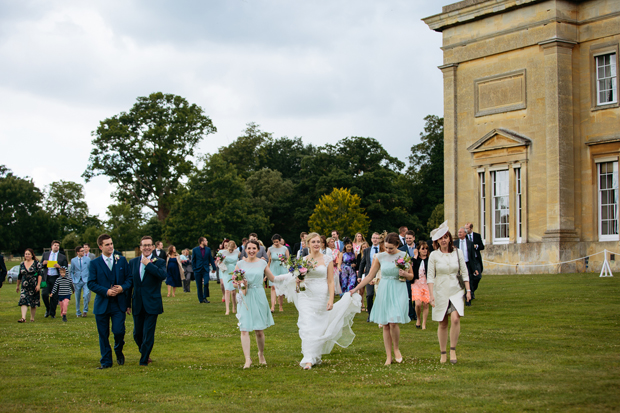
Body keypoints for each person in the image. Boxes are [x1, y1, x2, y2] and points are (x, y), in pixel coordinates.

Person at [273, 232, 362, 369]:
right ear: (308, 244)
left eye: (318, 242)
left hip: (322, 295)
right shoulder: (302, 260)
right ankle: (308, 358)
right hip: (306, 296)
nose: (316, 244)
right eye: (313, 242)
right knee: (307, 324)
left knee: (319, 326)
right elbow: (299, 280)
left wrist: (331, 299)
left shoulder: (327, 259)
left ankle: (313, 355)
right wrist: (298, 281)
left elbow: (331, 281)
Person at [350, 232, 413, 365]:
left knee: (394, 321)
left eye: (391, 248)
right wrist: (356, 289)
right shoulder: (379, 257)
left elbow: (412, 276)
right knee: (385, 324)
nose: (388, 250)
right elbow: (369, 276)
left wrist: (405, 274)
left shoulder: (404, 256)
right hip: (384, 289)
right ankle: (388, 356)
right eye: (386, 247)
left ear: (397, 245)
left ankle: (396, 348)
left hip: (399, 289)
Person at [427, 221, 471, 364]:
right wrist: (431, 295)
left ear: (450, 238)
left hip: (456, 290)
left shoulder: (458, 253)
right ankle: (443, 352)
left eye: (446, 237)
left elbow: (464, 272)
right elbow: (430, 277)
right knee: (443, 322)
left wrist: (468, 290)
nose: (444, 240)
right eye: (441, 238)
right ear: (437, 241)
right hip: (440, 291)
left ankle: (453, 349)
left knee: (455, 318)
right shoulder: (433, 255)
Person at [87, 234, 132, 369]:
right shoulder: (94, 263)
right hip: (102, 303)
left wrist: (122, 288)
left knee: (119, 331)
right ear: (101, 247)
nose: (110, 246)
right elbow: (91, 283)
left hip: (119, 303)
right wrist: (105, 291)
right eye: (107, 244)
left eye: (111, 243)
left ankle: (118, 349)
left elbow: (129, 279)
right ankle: (106, 361)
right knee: (103, 334)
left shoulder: (122, 260)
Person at [234, 240, 276, 369]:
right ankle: (247, 359)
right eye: (249, 248)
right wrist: (240, 284)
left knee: (259, 330)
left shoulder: (262, 263)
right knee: (244, 329)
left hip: (258, 295)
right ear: (245, 250)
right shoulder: (240, 263)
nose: (251, 251)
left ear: (258, 250)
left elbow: (273, 278)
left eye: (254, 248)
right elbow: (235, 281)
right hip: (245, 297)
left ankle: (261, 354)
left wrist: (292, 277)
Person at [127, 236, 167, 366]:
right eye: (144, 245)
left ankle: (144, 359)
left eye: (149, 245)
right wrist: (127, 303)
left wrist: (148, 264)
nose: (147, 247)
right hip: (137, 302)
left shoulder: (159, 262)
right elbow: (130, 284)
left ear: (153, 247)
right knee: (137, 333)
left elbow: (162, 275)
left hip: (152, 303)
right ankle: (144, 351)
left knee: (148, 333)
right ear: (140, 247)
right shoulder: (133, 262)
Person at [357, 233, 382, 322]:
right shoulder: (367, 250)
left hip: (379, 274)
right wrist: (359, 276)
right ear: (371, 239)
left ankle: (379, 314)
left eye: (377, 238)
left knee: (378, 295)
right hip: (369, 274)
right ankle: (370, 314)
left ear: (379, 239)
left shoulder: (382, 250)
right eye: (373, 238)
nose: (375, 240)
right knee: (369, 295)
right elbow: (362, 263)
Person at [41, 240, 68, 319]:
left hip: (56, 278)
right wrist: (43, 264)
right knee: (44, 294)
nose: (56, 247)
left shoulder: (62, 257)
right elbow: (40, 265)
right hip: (47, 277)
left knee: (54, 297)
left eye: (58, 246)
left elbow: (65, 268)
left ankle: (52, 313)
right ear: (51, 246)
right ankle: (48, 308)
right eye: (55, 245)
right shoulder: (45, 254)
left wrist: (59, 267)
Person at [16, 248, 43, 323]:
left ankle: (32, 318)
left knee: (33, 302)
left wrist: (38, 285)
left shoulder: (36, 263)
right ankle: (23, 318)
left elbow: (40, 274)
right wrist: (17, 286)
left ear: (32, 255)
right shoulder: (22, 264)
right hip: (24, 286)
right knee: (23, 300)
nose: (27, 255)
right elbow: (19, 275)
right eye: (26, 254)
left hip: (33, 285)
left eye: (28, 254)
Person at [456, 227, 480, 307]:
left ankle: (468, 299)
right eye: (458, 232)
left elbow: (472, 257)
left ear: (465, 234)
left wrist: (475, 269)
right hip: (457, 265)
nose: (459, 234)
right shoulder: (455, 243)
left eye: (461, 232)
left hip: (467, 264)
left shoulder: (470, 243)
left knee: (468, 280)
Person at [398, 230, 418, 321]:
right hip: (407, 275)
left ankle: (417, 313)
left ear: (414, 238)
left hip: (418, 274)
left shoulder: (419, 247)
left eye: (410, 238)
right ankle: (410, 314)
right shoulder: (401, 249)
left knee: (416, 296)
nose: (408, 240)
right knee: (408, 295)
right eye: (406, 238)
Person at [267, 234, 289, 313]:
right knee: (273, 287)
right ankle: (272, 306)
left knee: (280, 288)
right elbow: (267, 259)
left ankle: (280, 306)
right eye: (274, 242)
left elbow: (288, 260)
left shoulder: (284, 248)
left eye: (277, 242)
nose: (275, 243)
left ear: (280, 241)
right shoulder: (270, 249)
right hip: (273, 269)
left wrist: (284, 260)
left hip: (282, 268)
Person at [412, 241, 431, 329]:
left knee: (426, 304)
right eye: (423, 249)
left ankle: (424, 323)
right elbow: (412, 269)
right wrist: (415, 256)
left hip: (426, 283)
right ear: (418, 250)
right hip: (417, 283)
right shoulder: (415, 260)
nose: (425, 250)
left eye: (426, 249)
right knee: (418, 304)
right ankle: (418, 318)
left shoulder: (430, 260)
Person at [191, 237, 216, 304]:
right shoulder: (195, 250)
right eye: (205, 241)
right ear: (202, 242)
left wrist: (214, 268)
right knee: (199, 285)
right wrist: (194, 269)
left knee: (206, 283)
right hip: (198, 269)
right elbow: (193, 260)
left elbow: (210, 258)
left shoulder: (208, 249)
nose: (207, 242)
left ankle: (205, 297)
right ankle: (200, 299)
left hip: (205, 269)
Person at [219, 240, 240, 315]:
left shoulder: (237, 252)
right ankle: (227, 309)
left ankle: (234, 307)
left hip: (234, 271)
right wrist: (220, 262)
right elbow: (219, 262)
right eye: (229, 249)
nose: (231, 251)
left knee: (233, 291)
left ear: (234, 247)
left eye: (232, 250)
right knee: (227, 290)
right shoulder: (222, 253)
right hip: (226, 272)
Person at [465, 222, 484, 301]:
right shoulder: (464, 237)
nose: (466, 230)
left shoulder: (477, 236)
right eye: (465, 228)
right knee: (469, 277)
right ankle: (470, 293)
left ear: (471, 228)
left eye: (467, 228)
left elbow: (482, 246)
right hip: (468, 260)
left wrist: (476, 246)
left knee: (478, 277)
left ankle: (472, 290)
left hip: (476, 259)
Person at [70, 246, 91, 318]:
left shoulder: (88, 259)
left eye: (84, 250)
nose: (83, 252)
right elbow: (71, 271)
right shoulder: (73, 260)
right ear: (77, 252)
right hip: (77, 281)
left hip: (86, 280)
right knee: (77, 297)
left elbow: (90, 269)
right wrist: (73, 280)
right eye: (82, 251)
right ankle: (78, 312)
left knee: (86, 295)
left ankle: (85, 311)